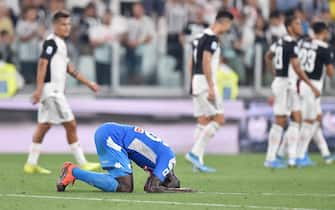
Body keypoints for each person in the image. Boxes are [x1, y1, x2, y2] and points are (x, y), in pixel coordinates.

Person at [24, 11, 100, 175]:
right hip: (52, 92)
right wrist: (38, 90)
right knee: (70, 124)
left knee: (44, 126)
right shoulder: (51, 42)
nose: (67, 27)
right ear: (55, 25)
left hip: (50, 92)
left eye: (68, 24)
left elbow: (69, 69)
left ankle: (31, 163)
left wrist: (89, 84)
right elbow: (42, 64)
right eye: (63, 24)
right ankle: (83, 162)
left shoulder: (61, 44)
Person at [56, 122, 193, 193]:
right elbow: (152, 188)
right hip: (112, 137)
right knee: (125, 187)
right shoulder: (169, 161)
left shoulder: (160, 163)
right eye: (166, 183)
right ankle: (72, 171)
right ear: (170, 176)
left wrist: (162, 187)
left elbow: (149, 186)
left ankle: (73, 172)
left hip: (112, 134)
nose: (162, 184)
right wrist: (178, 190)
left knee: (123, 185)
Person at [264, 15, 320, 168]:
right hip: (286, 85)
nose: (300, 26)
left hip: (286, 84)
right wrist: (312, 85)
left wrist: (274, 73)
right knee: (281, 120)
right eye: (297, 24)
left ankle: (292, 158)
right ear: (289, 27)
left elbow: (268, 56)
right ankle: (270, 158)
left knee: (296, 118)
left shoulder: (279, 42)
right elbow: (297, 67)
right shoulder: (291, 44)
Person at [185, 10, 233, 173]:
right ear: (224, 22)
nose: (228, 29)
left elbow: (191, 63)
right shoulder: (212, 38)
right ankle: (194, 153)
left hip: (197, 81)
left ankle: (197, 163)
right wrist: (212, 86)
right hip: (206, 83)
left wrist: (192, 83)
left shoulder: (199, 37)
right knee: (218, 119)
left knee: (202, 122)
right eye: (229, 25)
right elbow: (206, 61)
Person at [294, 22, 335, 166]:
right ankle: (299, 155)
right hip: (313, 85)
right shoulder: (325, 48)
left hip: (300, 82)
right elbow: (330, 73)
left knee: (316, 119)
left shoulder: (304, 42)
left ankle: (325, 154)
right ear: (324, 32)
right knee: (309, 121)